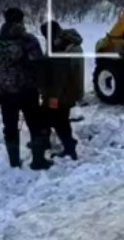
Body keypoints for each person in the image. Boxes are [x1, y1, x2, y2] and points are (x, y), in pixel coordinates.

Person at [0, 7, 49, 170]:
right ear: (21, 20)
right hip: (28, 91)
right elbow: (39, 64)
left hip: (5, 93)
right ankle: (38, 160)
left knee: (10, 127)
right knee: (35, 125)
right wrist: (42, 86)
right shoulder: (29, 40)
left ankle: (14, 161)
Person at [38, 21, 84, 160]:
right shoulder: (61, 43)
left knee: (59, 119)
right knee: (47, 114)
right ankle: (46, 142)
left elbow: (62, 74)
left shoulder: (63, 47)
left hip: (61, 92)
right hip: (61, 91)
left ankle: (69, 147)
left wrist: (53, 95)